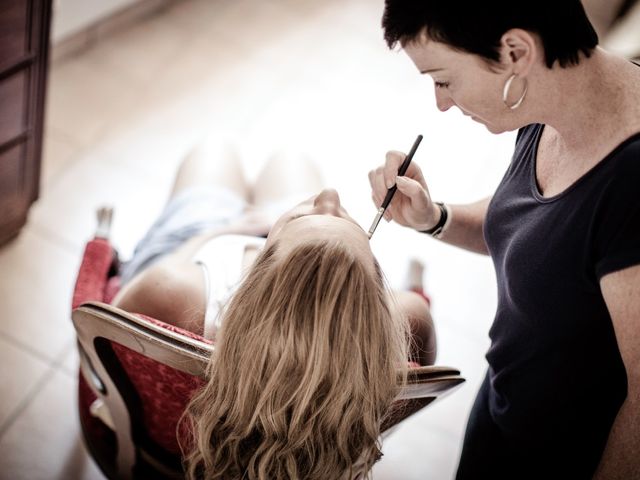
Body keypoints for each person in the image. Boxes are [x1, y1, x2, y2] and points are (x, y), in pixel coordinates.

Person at [368, 1, 640, 478]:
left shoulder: (631, 184)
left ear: (515, 51)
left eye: (444, 79)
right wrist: (435, 218)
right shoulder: (550, 102)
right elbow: (532, 229)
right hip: (505, 407)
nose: (441, 101)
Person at [111, 138, 437, 479]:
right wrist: (319, 236)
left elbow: (105, 339)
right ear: (375, 295)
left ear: (256, 277)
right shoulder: (409, 317)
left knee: (213, 152)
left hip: (200, 246)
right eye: (344, 220)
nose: (331, 196)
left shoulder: (170, 290)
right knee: (291, 160)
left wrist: (227, 231)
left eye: (322, 213)